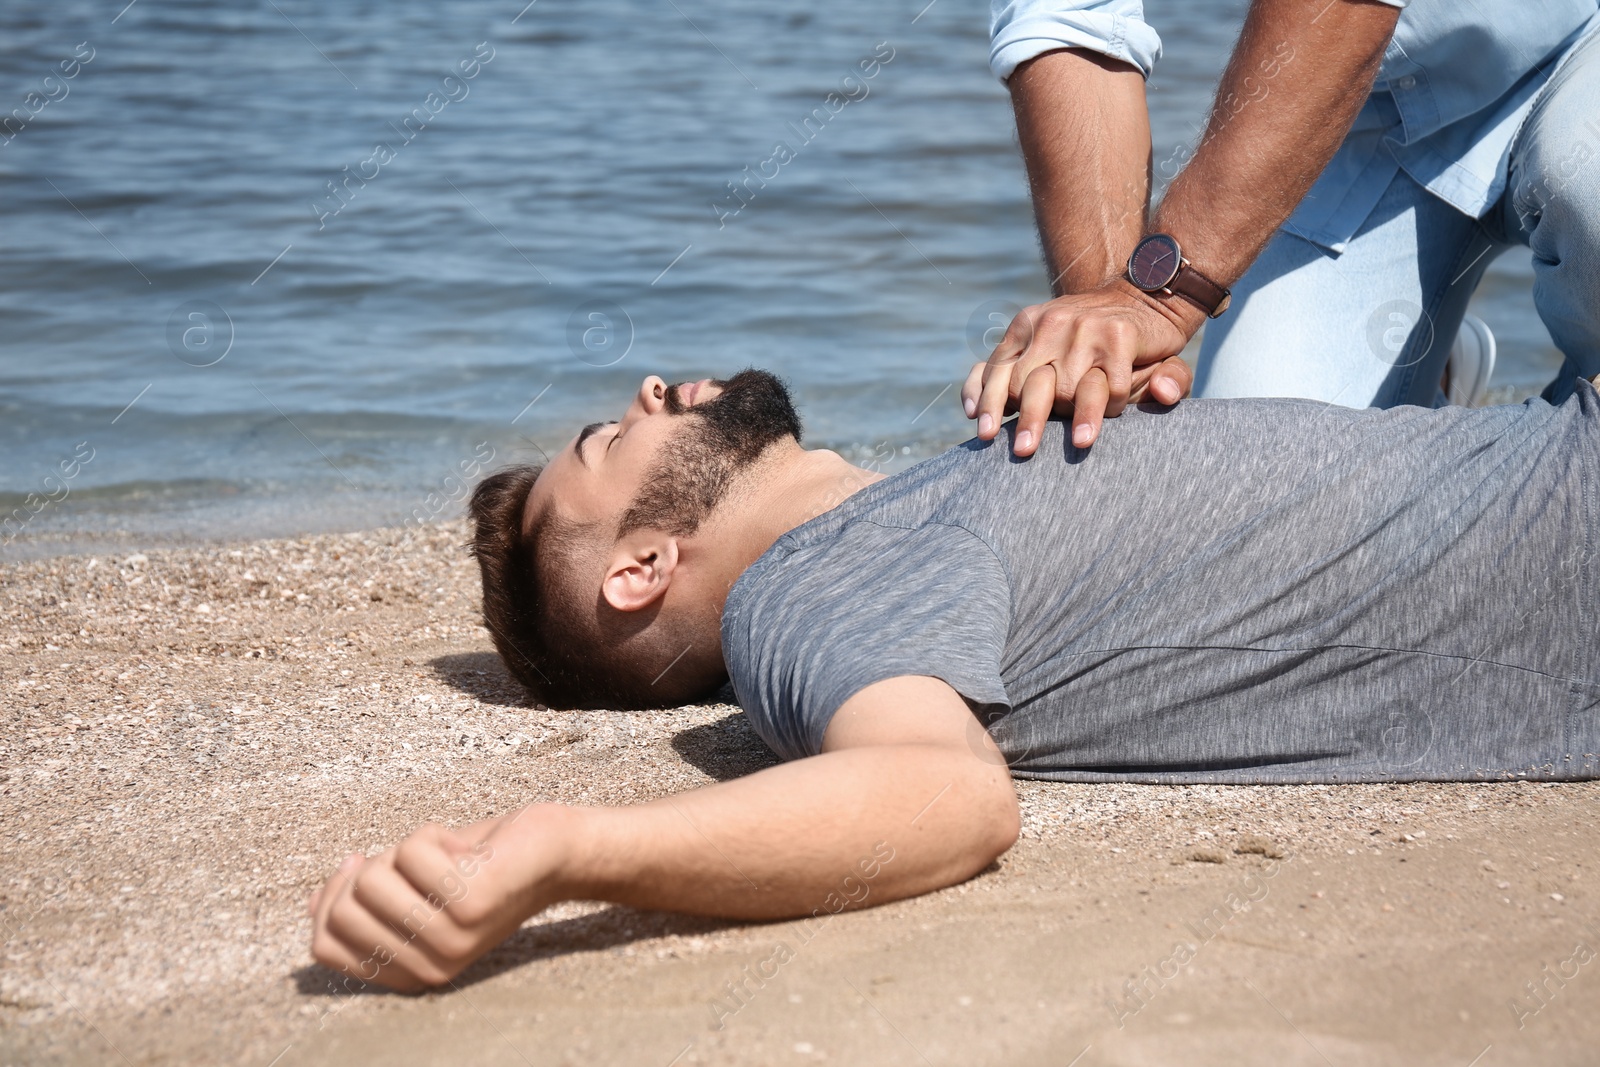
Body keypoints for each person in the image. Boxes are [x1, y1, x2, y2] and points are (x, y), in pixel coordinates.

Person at [307, 369, 1599, 992]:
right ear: (642, 564)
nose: (650, 388)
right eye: (612, 436)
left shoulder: (915, 501)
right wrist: (566, 846)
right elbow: (938, 791)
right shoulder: (812, 591)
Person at [968, 0, 1600, 456]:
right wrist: (1109, 346)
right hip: (1351, 100)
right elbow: (1066, 22)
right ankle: (1426, 386)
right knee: (1249, 485)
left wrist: (1156, 296)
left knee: (1588, 200)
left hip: (1577, 40)